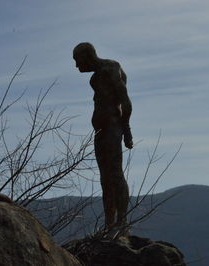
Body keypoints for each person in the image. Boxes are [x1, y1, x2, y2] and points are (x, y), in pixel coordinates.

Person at [73, 42, 133, 231]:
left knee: (115, 173)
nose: (77, 66)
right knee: (104, 178)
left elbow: (125, 101)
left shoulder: (111, 68)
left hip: (113, 128)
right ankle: (109, 223)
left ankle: (122, 222)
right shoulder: (94, 79)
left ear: (87, 56)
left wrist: (126, 130)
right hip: (100, 131)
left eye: (77, 61)